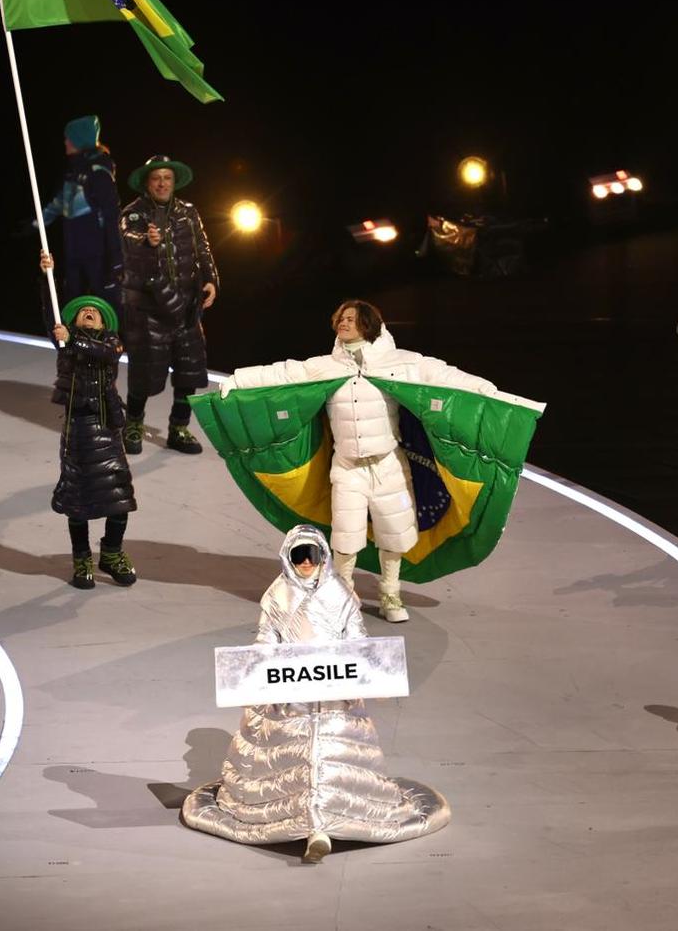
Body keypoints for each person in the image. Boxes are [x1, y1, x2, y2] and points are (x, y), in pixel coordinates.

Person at [220, 298, 542, 622]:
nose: (343, 323)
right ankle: (342, 596)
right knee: (345, 538)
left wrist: (487, 391)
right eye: (340, 319)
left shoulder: (400, 362)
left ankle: (390, 593)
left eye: (351, 318)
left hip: (388, 465)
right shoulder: (325, 366)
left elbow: (445, 377)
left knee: (395, 534)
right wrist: (234, 380)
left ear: (368, 323)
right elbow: (284, 373)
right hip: (347, 467)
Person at [181, 525, 450, 862]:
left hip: (334, 693)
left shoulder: (340, 594)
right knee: (293, 754)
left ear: (323, 557)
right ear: (288, 558)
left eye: (312, 555)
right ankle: (310, 822)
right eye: (298, 556)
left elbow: (356, 637)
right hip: (288, 693)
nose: (306, 563)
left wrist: (373, 673)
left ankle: (321, 820)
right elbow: (266, 638)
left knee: (328, 749)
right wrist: (259, 670)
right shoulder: (277, 595)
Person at [41, 250, 137, 590]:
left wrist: (74, 339)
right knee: (78, 498)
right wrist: (46, 275)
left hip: (107, 426)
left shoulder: (109, 343)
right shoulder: (65, 344)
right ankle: (81, 558)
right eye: (84, 312)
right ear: (74, 321)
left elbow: (108, 352)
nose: (90, 314)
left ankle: (111, 552)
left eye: (94, 312)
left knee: (119, 494)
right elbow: (50, 317)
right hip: (79, 429)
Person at [118, 153, 218, 455]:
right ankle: (133, 423)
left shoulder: (188, 211)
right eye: (156, 178)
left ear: (174, 182)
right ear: (147, 183)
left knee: (188, 371)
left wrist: (211, 278)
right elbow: (126, 238)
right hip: (149, 310)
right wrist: (146, 242)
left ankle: (179, 428)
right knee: (144, 373)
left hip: (186, 307)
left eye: (167, 178)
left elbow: (202, 246)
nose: (162, 183)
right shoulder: (134, 213)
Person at [37, 114, 123, 315]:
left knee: (105, 309)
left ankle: (112, 344)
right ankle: (71, 343)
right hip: (75, 253)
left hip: (97, 256)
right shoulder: (73, 172)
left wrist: (117, 259)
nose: (65, 142)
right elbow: (60, 203)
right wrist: (35, 222)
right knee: (71, 307)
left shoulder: (99, 171)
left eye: (69, 138)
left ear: (79, 139)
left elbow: (111, 215)